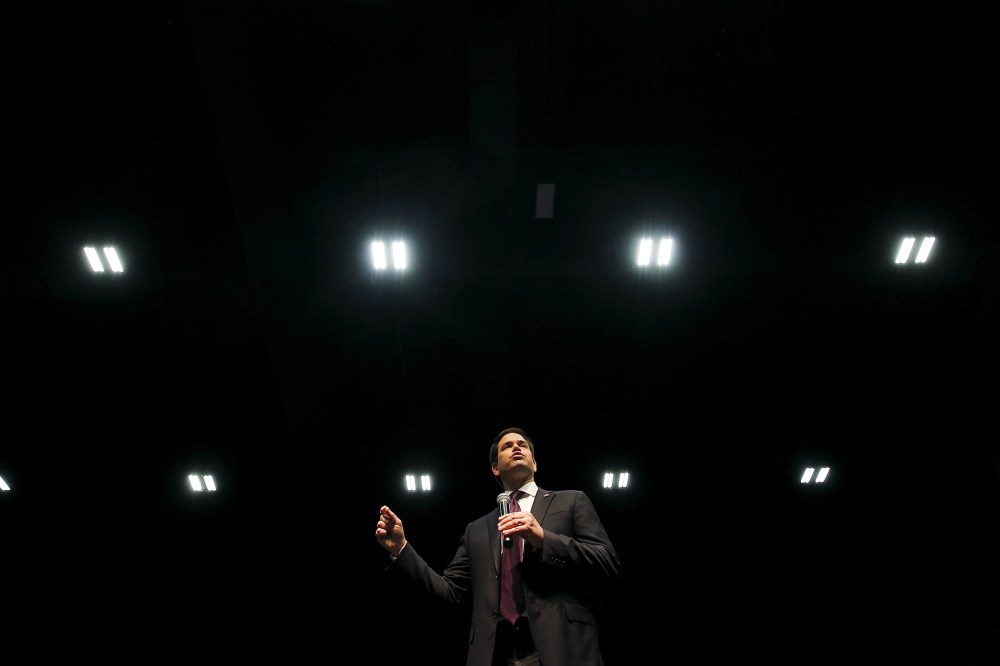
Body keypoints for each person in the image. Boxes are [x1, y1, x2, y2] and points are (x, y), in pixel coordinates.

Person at [375, 426, 623, 666]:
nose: (516, 447)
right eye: (507, 446)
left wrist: (544, 539)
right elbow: (449, 593)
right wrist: (401, 549)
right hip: (495, 652)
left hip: (561, 645)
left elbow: (606, 562)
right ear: (495, 468)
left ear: (535, 463)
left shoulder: (571, 501)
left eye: (522, 445)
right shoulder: (477, 529)